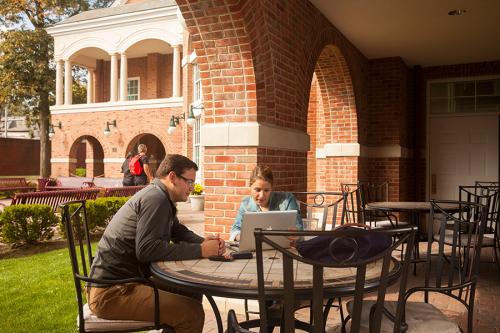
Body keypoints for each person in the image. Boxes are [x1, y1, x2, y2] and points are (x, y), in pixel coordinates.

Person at [87, 154, 224, 333]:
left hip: (127, 283)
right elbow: (146, 250)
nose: (191, 188)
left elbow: (177, 231)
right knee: (192, 313)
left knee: (190, 290)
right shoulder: (156, 199)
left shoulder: (160, 195)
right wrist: (200, 250)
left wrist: (204, 242)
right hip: (111, 293)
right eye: (189, 181)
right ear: (172, 177)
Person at [230, 165, 303, 241]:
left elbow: (299, 230)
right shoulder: (246, 204)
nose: (261, 196)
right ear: (250, 187)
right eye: (257, 190)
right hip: (254, 249)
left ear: (271, 188)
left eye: (266, 190)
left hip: (283, 250)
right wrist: (243, 237)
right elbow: (235, 229)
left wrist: (295, 234)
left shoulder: (287, 200)